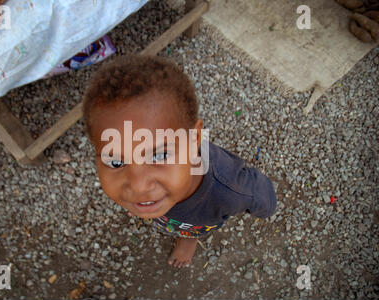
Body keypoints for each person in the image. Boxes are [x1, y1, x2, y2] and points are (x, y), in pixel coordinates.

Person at [82, 55, 277, 268]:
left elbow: (260, 194)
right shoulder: (145, 189)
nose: (139, 186)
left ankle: (189, 238)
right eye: (117, 163)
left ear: (194, 140)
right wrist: (136, 204)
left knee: (194, 226)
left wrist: (265, 209)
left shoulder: (230, 189)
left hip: (198, 222)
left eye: (159, 155)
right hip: (171, 217)